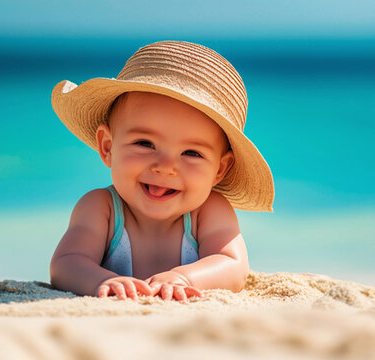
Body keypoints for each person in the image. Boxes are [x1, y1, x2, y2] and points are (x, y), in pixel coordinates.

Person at [48, 40, 274, 302]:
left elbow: (232, 266)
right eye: (145, 144)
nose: (165, 167)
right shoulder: (102, 208)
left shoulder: (210, 211)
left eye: (191, 153)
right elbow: (66, 263)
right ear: (108, 147)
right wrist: (102, 280)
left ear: (220, 169)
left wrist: (185, 278)